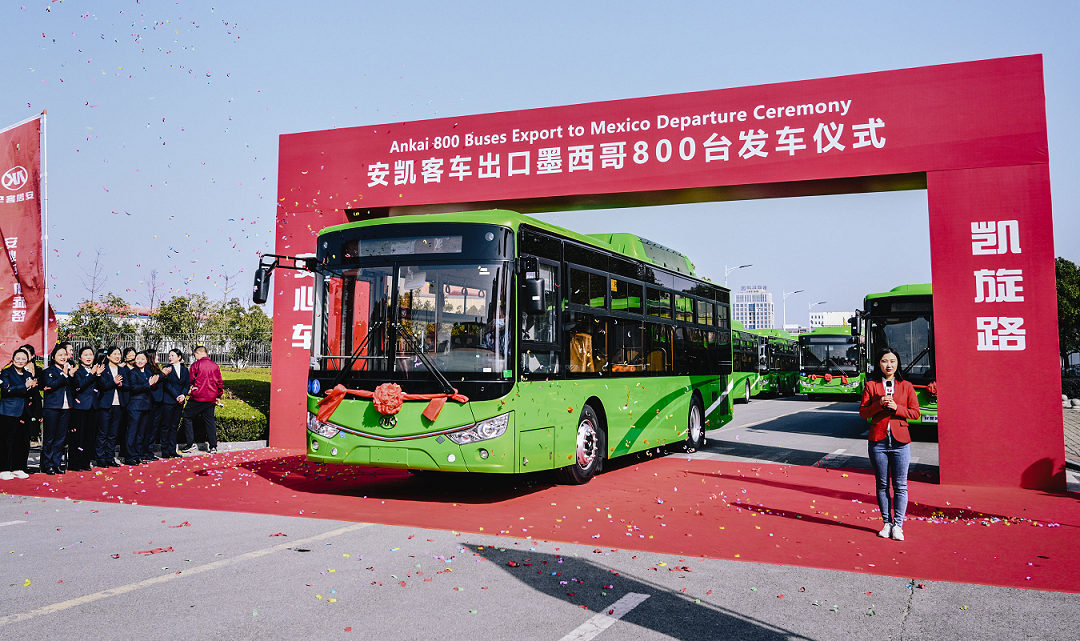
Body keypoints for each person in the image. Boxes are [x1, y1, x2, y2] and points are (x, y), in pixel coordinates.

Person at [860, 346, 921, 542]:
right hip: (878, 442)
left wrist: (897, 408)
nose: (889, 364)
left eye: (892, 361)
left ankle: (898, 526)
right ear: (879, 363)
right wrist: (879, 404)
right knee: (882, 484)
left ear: (897, 364)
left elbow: (915, 413)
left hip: (901, 442)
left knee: (901, 485)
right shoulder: (871, 386)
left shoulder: (906, 386)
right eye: (885, 361)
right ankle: (886, 523)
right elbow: (863, 413)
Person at [0, 349, 39, 480]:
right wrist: (24, 386)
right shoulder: (6, 372)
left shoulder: (28, 373)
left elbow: (31, 392)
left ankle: (19, 467)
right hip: (9, 411)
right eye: (18, 358)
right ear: (13, 359)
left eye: (24, 358)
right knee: (7, 441)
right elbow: (6, 390)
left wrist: (32, 386)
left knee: (22, 441)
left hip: (24, 411)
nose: (21, 361)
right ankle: (4, 468)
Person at [180, 345, 223, 454]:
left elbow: (189, 380)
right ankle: (213, 446)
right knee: (210, 421)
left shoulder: (196, 365)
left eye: (195, 355)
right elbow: (219, 383)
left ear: (198, 353)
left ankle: (190, 443)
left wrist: (187, 391)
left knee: (187, 417)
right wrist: (218, 395)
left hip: (198, 397)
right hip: (211, 398)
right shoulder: (215, 366)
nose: (195, 357)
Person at [40, 345, 75, 475]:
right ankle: (47, 464)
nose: (63, 357)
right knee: (49, 437)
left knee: (61, 438)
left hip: (66, 407)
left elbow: (76, 386)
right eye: (60, 355)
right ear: (53, 357)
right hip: (52, 408)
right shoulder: (48, 371)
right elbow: (51, 384)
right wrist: (65, 375)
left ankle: (56, 463)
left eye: (64, 354)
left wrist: (70, 375)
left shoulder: (69, 370)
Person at [69, 346, 103, 471]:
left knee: (90, 436)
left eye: (90, 355)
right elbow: (79, 386)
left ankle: (85, 462)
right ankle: (74, 463)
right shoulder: (77, 371)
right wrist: (92, 374)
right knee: (78, 436)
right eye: (85, 355)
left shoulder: (96, 370)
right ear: (79, 357)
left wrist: (98, 375)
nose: (88, 357)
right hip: (80, 406)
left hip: (93, 406)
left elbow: (102, 387)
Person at [121, 352, 159, 466]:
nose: (140, 361)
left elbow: (153, 387)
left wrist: (154, 383)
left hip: (147, 405)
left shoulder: (148, 371)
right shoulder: (132, 373)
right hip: (135, 406)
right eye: (138, 359)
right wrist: (149, 383)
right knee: (132, 432)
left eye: (142, 359)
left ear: (146, 360)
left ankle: (138, 455)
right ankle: (129, 456)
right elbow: (134, 388)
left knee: (141, 433)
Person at [94, 346, 125, 468]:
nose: (117, 356)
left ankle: (110, 457)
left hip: (118, 404)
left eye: (119, 354)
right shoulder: (103, 369)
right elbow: (102, 385)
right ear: (108, 356)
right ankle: (100, 458)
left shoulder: (122, 370)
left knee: (113, 433)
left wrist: (122, 384)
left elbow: (127, 385)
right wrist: (114, 382)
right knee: (103, 433)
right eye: (115, 354)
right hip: (105, 405)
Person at [160, 349, 190, 459]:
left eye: (172, 355)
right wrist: (177, 395)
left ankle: (172, 450)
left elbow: (187, 384)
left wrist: (183, 395)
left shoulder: (185, 370)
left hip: (180, 401)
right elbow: (167, 385)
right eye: (169, 355)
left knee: (174, 426)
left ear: (179, 357)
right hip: (169, 400)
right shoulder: (166, 369)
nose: (170, 357)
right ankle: (165, 450)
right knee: (166, 426)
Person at [140, 349, 165, 461]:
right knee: (148, 428)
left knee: (154, 428)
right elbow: (153, 382)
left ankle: (148, 450)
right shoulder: (148, 369)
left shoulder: (156, 368)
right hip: (151, 401)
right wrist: (163, 374)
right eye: (156, 356)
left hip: (158, 401)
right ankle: (145, 451)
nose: (158, 358)